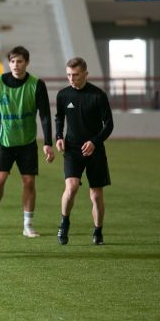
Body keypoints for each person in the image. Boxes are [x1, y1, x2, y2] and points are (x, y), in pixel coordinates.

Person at [0, 46, 55, 238]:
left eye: (19, 61)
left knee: (29, 182)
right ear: (9, 63)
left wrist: (47, 142)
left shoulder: (36, 84)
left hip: (27, 142)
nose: (15, 65)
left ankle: (28, 225)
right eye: (12, 61)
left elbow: (45, 115)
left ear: (26, 63)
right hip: (4, 141)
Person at [54, 57, 113, 245]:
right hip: (72, 150)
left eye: (76, 75)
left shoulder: (98, 95)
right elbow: (59, 118)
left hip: (95, 150)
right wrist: (58, 137)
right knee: (70, 188)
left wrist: (95, 142)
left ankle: (98, 231)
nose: (71, 78)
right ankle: (64, 224)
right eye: (69, 75)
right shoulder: (63, 95)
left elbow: (109, 125)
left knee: (96, 195)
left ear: (86, 74)